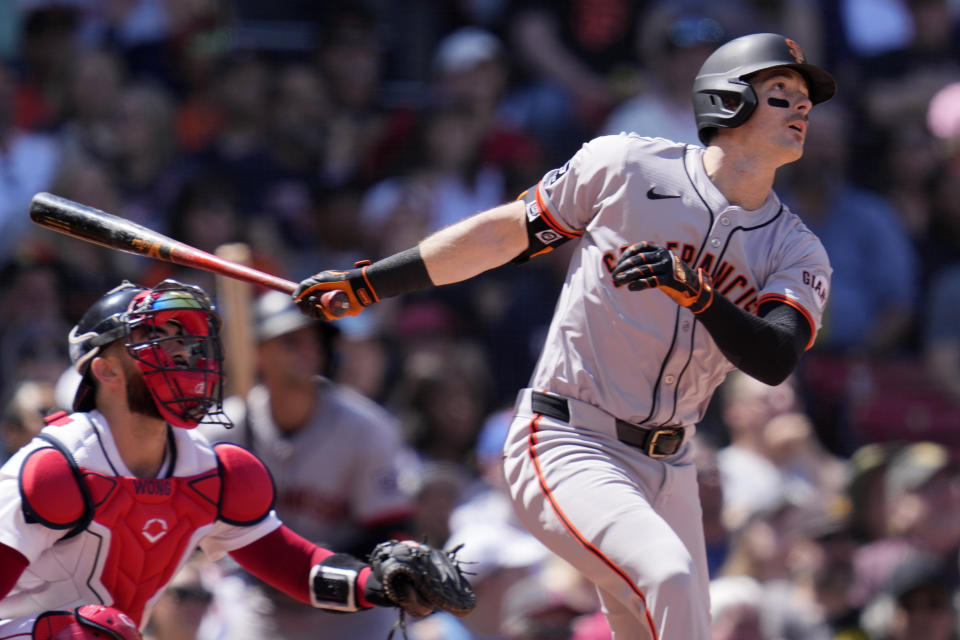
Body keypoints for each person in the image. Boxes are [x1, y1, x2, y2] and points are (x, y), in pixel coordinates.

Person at [293, 32, 836, 639]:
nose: (802, 107)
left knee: (660, 622)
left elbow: (775, 356)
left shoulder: (796, 248)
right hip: (570, 437)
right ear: (726, 100)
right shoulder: (625, 165)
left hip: (671, 462)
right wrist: (371, 283)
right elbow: (502, 235)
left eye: (806, 98)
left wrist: (698, 293)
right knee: (671, 577)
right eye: (781, 92)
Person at [0, 278, 466, 639]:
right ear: (105, 370)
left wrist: (376, 584)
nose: (182, 354)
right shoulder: (54, 471)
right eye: (158, 341)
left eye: (186, 343)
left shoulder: (213, 473)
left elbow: (298, 567)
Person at [199, 290, 417, 639]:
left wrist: (324, 577)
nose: (307, 350)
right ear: (258, 352)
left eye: (314, 340)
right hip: (259, 598)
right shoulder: (224, 431)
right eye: (290, 340)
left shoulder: (365, 428)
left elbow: (389, 530)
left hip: (350, 603)